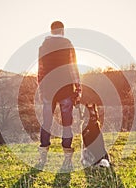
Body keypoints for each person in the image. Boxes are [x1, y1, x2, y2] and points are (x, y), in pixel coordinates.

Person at [37, 21, 81, 170]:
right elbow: (72, 66)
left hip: (48, 89)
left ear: (51, 30)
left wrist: (41, 89)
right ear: (62, 30)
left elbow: (40, 70)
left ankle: (43, 155)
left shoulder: (43, 46)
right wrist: (78, 87)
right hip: (65, 88)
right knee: (67, 122)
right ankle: (67, 158)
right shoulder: (67, 43)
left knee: (46, 122)